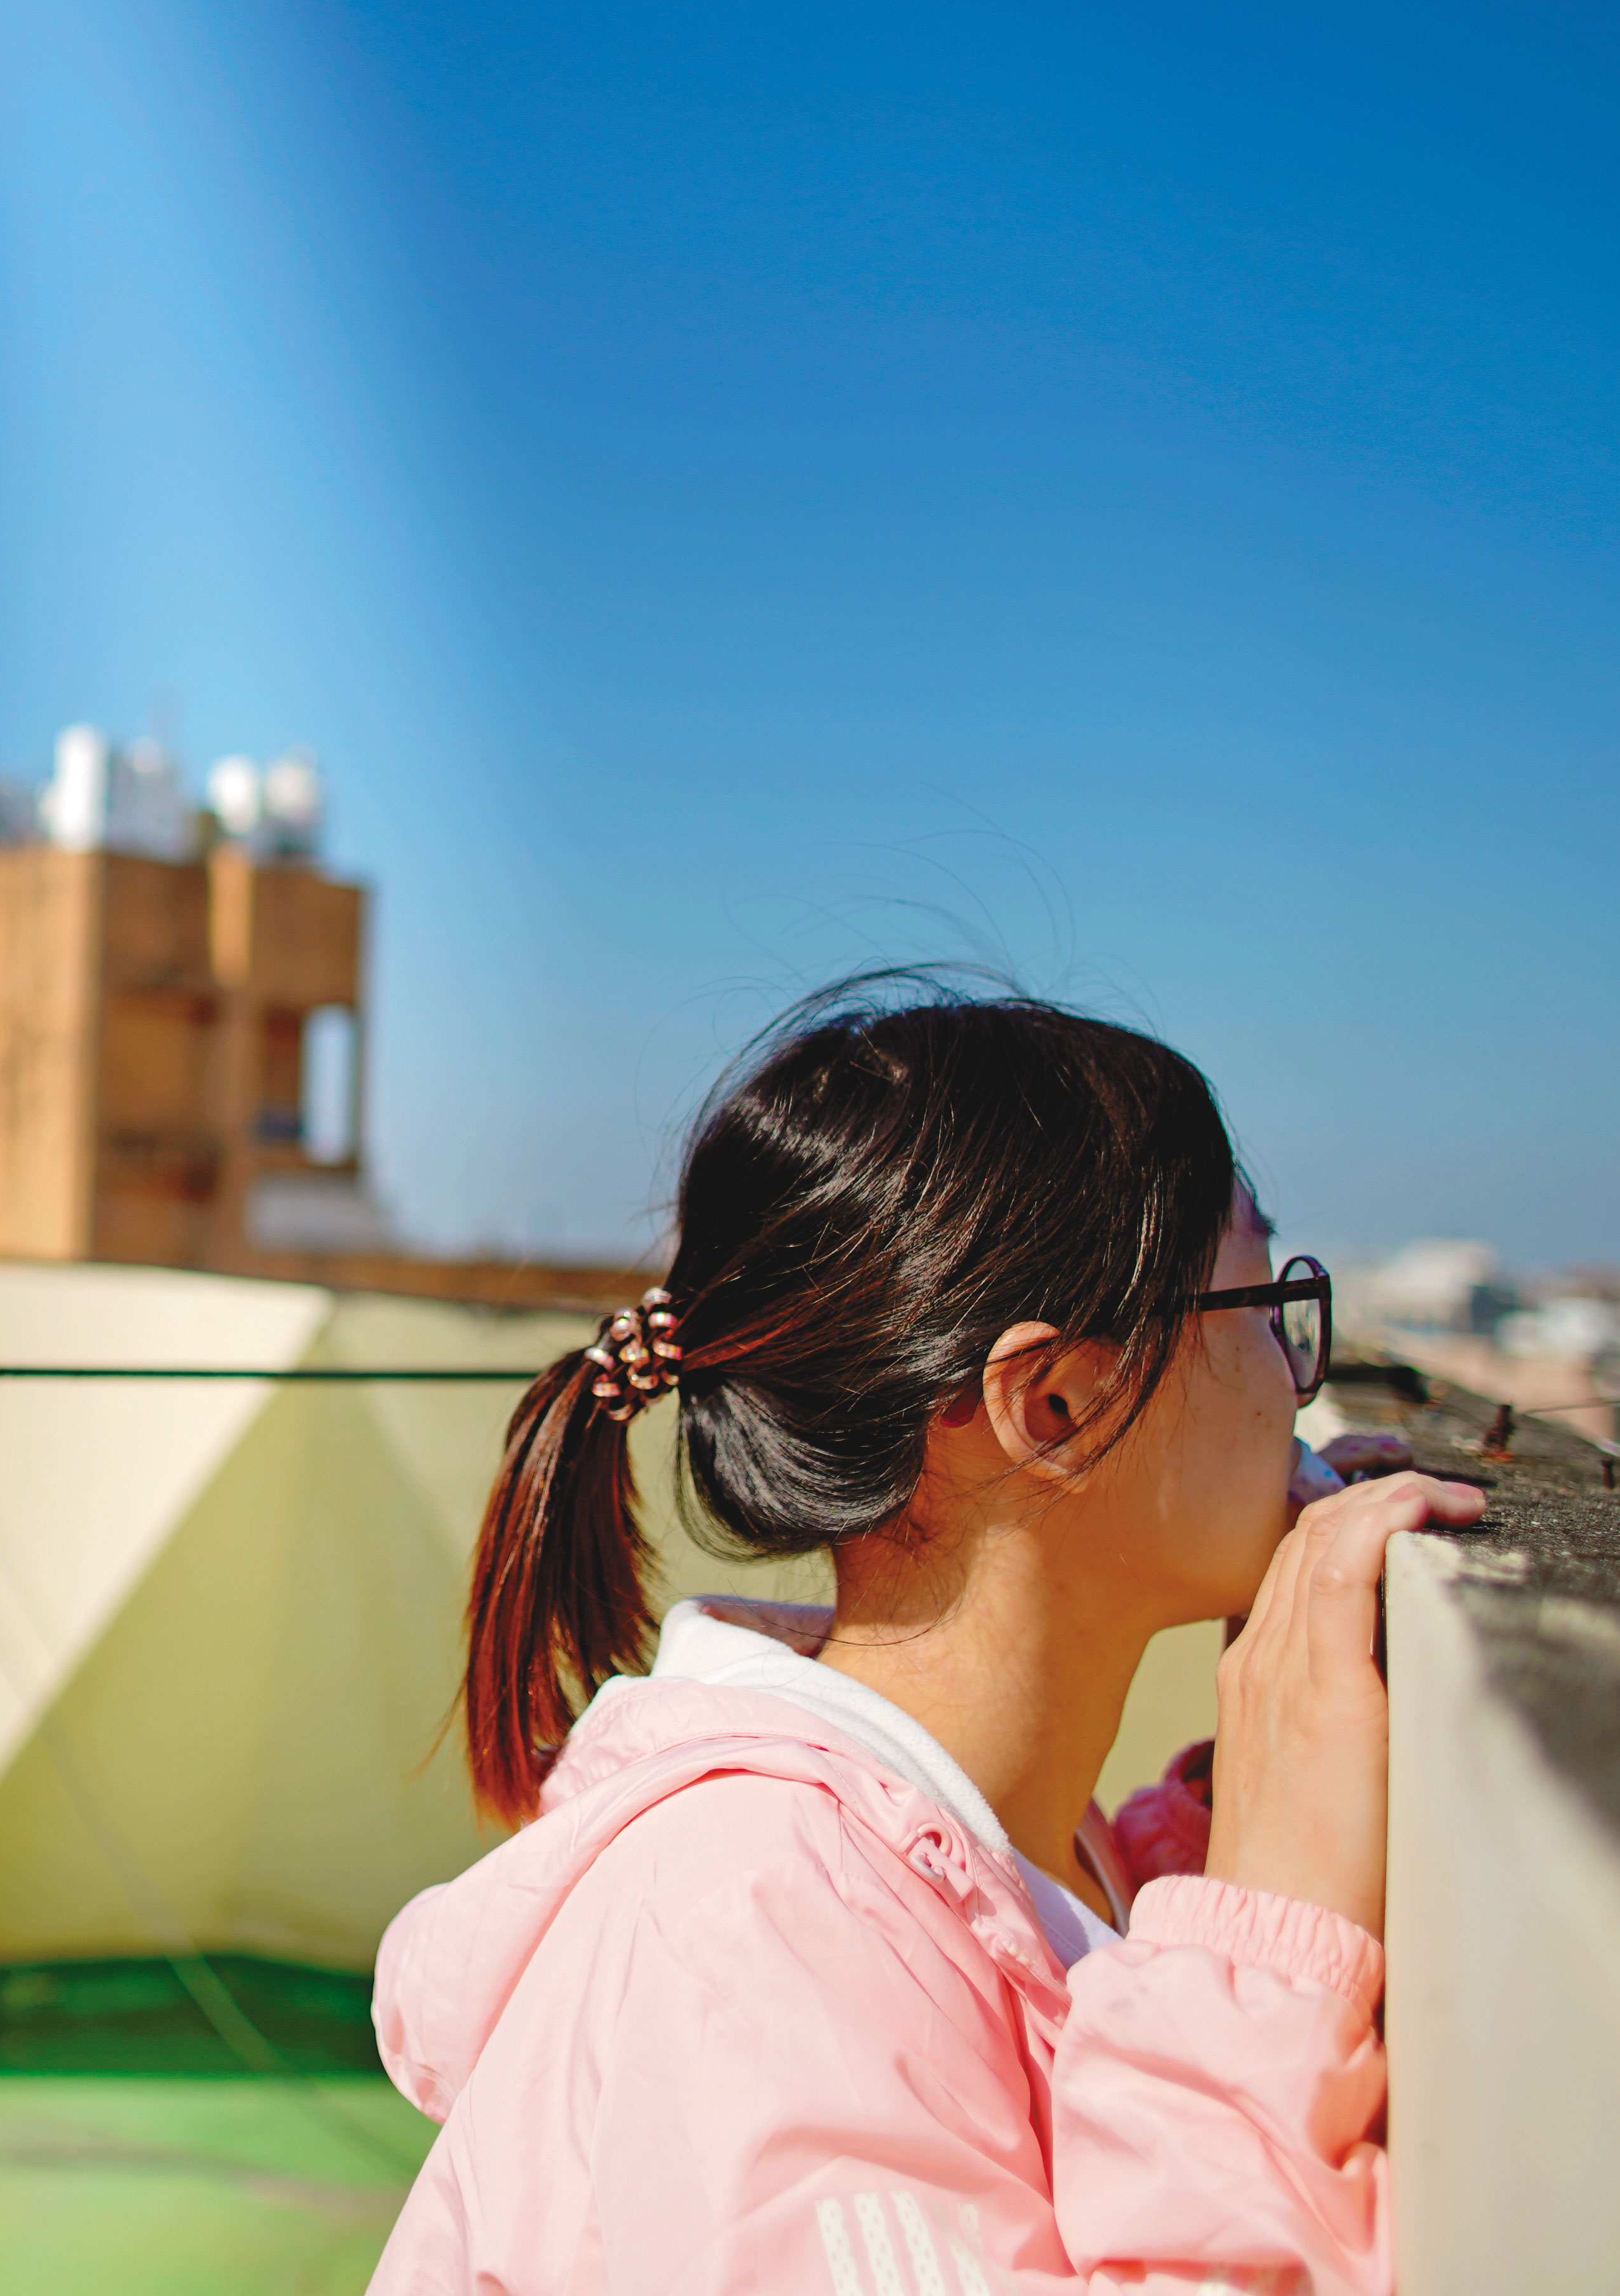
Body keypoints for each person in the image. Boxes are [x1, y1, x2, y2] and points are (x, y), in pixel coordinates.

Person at [370, 976, 1481, 2296]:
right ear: (1056, 1401)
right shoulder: (764, 1924)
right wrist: (1253, 1963)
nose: (1300, 1379)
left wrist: (1232, 1818)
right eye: (1258, 1308)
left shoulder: (989, 1846)